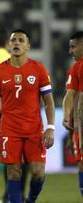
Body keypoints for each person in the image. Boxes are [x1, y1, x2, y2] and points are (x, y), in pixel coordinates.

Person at [0, 29, 55, 203]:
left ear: (28, 46)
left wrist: (51, 128)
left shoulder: (38, 69)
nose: (16, 43)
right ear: (9, 45)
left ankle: (30, 200)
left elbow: (49, 102)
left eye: (21, 40)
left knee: (38, 173)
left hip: (34, 129)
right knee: (14, 172)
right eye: (13, 40)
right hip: (9, 130)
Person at [0, 28, 28, 203]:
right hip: (15, 113)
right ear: (6, 43)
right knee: (16, 157)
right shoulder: (15, 61)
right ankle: (14, 195)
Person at [63, 31, 83, 198]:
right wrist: (70, 133)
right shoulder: (75, 68)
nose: (70, 51)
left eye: (73, 47)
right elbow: (70, 96)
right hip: (79, 128)